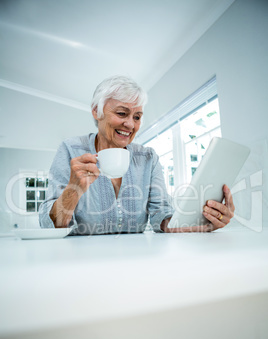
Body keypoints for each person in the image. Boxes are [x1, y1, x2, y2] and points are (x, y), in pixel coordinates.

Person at [39, 75, 235, 235]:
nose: (131, 125)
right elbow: (49, 225)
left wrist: (204, 222)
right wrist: (73, 191)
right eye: (122, 114)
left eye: (137, 117)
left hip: (137, 263)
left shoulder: (148, 158)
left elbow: (163, 215)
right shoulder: (70, 149)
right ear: (96, 111)